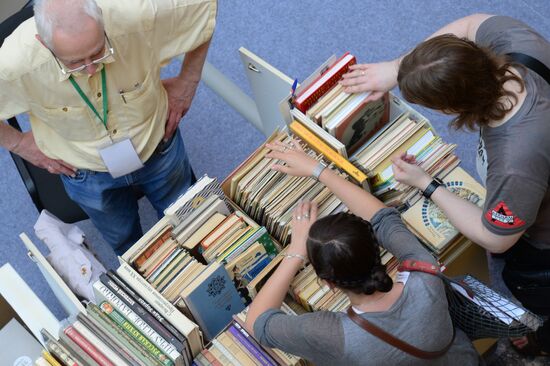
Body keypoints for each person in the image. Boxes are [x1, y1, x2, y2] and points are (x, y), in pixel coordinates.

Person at [340, 14, 550, 356]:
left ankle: (540, 343)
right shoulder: (516, 45)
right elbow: (472, 23)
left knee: (525, 281)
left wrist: (428, 184)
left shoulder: (515, 160)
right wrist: (399, 68)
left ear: (451, 107)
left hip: (540, 240)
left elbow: (496, 238)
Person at [0, 0, 216, 255]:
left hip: (158, 144)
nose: (91, 69)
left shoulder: (137, 13)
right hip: (85, 171)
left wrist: (188, 82)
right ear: (44, 43)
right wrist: (18, 144)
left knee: (191, 220)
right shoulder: (14, 63)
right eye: (75, 62)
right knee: (127, 245)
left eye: (98, 51)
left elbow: (203, 9)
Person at [244, 140, 479, 366]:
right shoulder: (424, 272)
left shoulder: (333, 334)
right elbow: (383, 218)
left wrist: (296, 252)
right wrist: (319, 170)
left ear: (328, 284)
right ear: (376, 246)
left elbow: (257, 324)